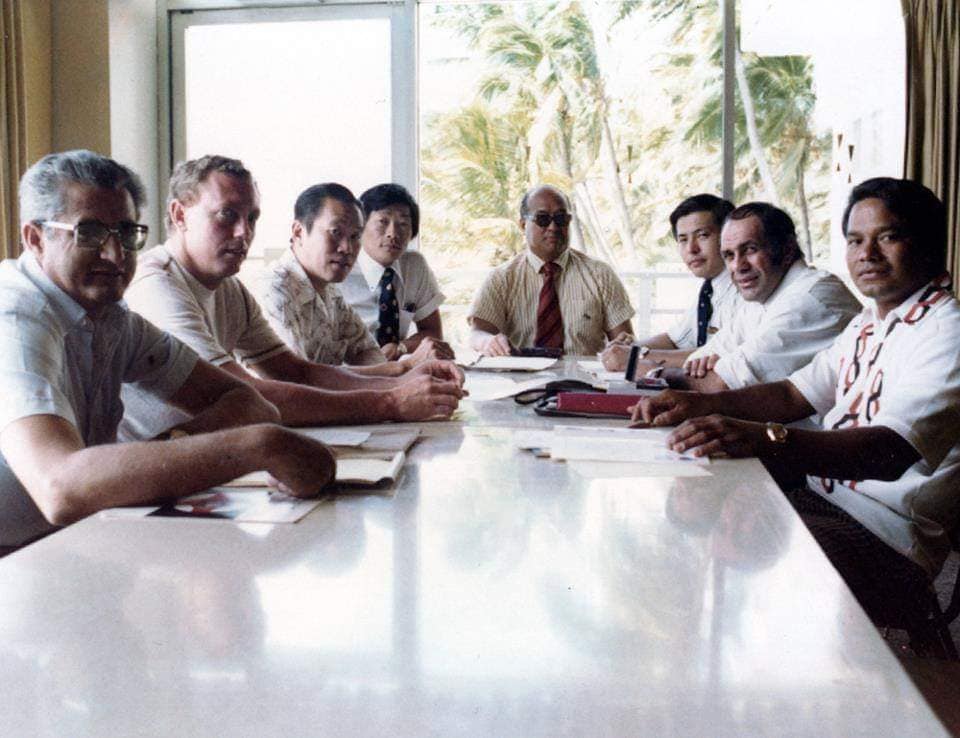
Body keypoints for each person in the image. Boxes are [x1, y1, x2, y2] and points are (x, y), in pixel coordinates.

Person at [632, 177, 960, 628]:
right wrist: (698, 406)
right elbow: (792, 393)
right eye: (855, 241)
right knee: (683, 518)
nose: (867, 253)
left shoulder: (946, 331)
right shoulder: (870, 322)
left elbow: (888, 453)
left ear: (927, 243)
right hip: (822, 499)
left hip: (888, 540)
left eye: (887, 237)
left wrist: (760, 437)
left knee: (722, 560)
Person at [0, 150, 335, 550]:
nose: (115, 254)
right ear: (35, 239)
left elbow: (249, 403)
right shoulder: (14, 317)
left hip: (76, 540)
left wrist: (168, 449)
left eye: (126, 233)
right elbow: (60, 488)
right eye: (89, 233)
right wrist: (261, 446)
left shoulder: (112, 318)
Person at [120, 155, 463, 440]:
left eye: (252, 218)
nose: (244, 232)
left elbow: (297, 372)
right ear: (180, 215)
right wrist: (391, 400)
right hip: (155, 469)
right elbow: (242, 393)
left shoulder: (229, 288)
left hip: (206, 455)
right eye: (227, 215)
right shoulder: (156, 284)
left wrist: (401, 379)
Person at [669, 202, 861, 391]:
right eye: (729, 255)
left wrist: (658, 374)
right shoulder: (764, 294)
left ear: (787, 249)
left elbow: (722, 383)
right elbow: (697, 361)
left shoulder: (810, 297)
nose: (738, 266)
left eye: (750, 249)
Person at [257, 183, 440, 374]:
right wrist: (403, 367)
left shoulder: (329, 289)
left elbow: (366, 350)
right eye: (335, 232)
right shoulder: (275, 290)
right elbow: (299, 379)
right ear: (298, 232)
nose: (347, 248)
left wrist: (393, 372)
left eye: (355, 236)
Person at [468, 184, 635, 356]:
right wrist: (487, 341)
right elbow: (478, 333)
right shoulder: (502, 278)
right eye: (542, 219)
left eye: (561, 218)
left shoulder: (600, 275)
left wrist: (624, 346)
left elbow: (624, 341)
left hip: (583, 372)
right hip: (520, 372)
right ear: (523, 225)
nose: (553, 227)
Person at [601, 194, 739, 372]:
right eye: (683, 239)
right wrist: (628, 348)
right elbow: (674, 339)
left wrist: (634, 356)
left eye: (703, 235)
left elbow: (719, 354)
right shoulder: (710, 289)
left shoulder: (746, 290)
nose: (691, 249)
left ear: (728, 237)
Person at [340, 183, 453, 361]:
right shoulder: (339, 268)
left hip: (398, 370)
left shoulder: (414, 265)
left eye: (403, 224)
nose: (393, 233)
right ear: (360, 226)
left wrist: (401, 348)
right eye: (382, 222)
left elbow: (432, 331)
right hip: (347, 370)